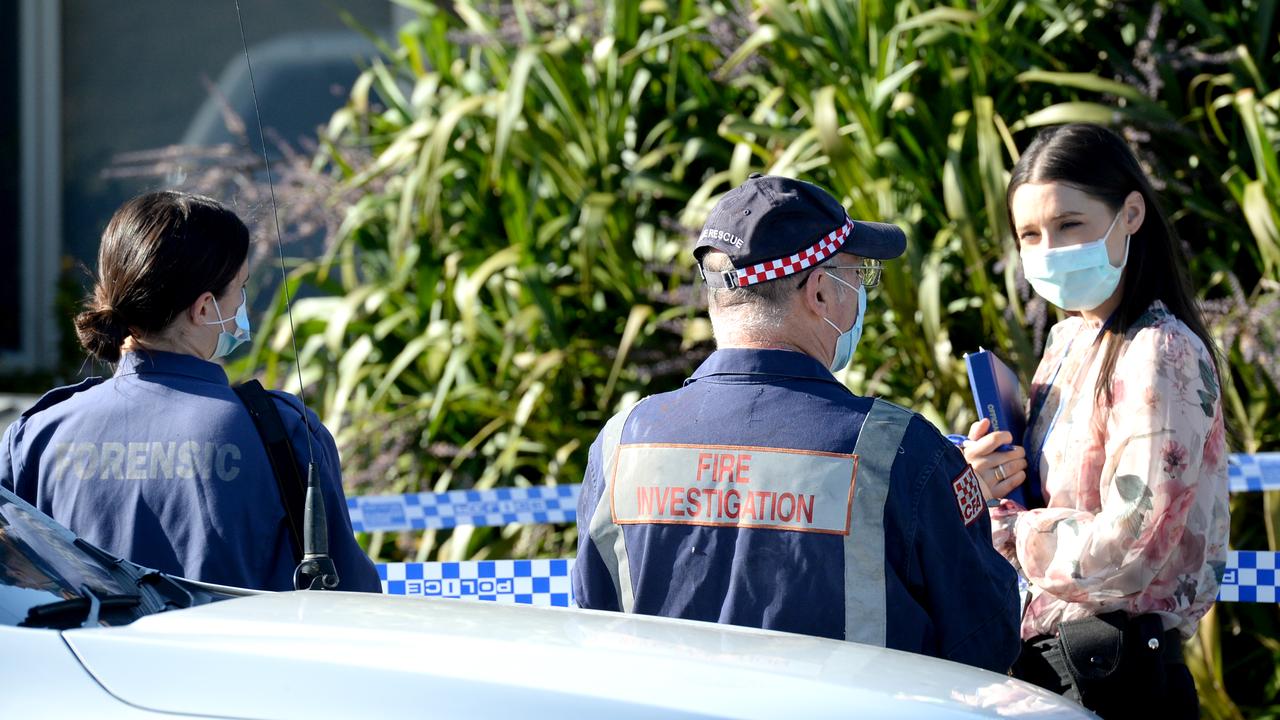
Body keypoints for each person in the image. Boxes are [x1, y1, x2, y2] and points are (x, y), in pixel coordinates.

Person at [572, 173, 1021, 673]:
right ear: (821, 293)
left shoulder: (620, 443)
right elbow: (986, 643)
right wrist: (948, 496)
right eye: (859, 276)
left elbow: (596, 629)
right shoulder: (899, 452)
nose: (862, 296)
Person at [962, 124, 1229, 717]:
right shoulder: (1068, 339)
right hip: (1055, 666)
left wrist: (1003, 528)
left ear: (1130, 213)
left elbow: (1133, 548)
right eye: (1029, 235)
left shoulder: (1159, 350)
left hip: (1116, 672)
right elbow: (1054, 495)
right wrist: (988, 479)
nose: (1049, 251)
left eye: (1069, 225)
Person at [0, 191, 381, 593]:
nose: (244, 304)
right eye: (241, 287)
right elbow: (351, 598)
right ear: (203, 309)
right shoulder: (283, 431)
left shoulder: (38, 437)